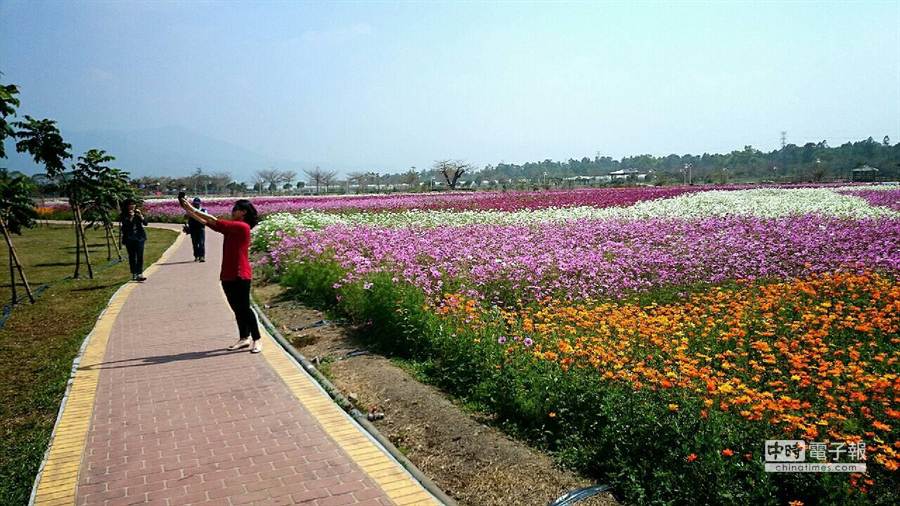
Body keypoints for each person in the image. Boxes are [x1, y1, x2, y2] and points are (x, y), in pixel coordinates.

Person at [178, 195, 263, 353]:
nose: (233, 211)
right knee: (236, 308)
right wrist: (188, 211)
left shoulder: (242, 227)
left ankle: (257, 339)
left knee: (244, 308)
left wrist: (191, 208)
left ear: (243, 212)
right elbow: (206, 222)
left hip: (240, 273)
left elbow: (212, 219)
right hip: (227, 274)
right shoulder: (231, 227)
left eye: (236, 209)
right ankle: (244, 338)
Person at [120, 199, 148, 282]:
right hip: (129, 238)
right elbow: (126, 225)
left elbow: (145, 223)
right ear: (126, 206)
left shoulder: (138, 214)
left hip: (140, 238)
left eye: (133, 204)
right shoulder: (123, 215)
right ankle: (134, 273)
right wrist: (131, 216)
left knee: (140, 256)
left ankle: (139, 273)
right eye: (130, 204)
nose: (132, 206)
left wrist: (141, 216)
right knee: (132, 256)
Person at [185, 197, 206, 262]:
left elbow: (206, 219)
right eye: (195, 204)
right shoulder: (190, 211)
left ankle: (202, 256)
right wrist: (186, 225)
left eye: (197, 204)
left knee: (201, 243)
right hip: (193, 229)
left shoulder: (203, 211)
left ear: (200, 204)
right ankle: (196, 256)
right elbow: (186, 218)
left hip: (201, 229)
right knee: (195, 243)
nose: (196, 205)